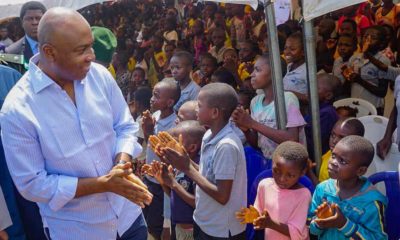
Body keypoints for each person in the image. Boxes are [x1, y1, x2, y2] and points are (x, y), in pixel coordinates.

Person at [1, 8, 152, 240]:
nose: (92, 55)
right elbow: (32, 184)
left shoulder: (99, 75)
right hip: (78, 231)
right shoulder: (18, 109)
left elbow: (125, 126)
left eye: (90, 45)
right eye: (81, 50)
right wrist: (103, 184)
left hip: (129, 217)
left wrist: (120, 167)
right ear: (49, 52)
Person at [160, 83, 247, 239]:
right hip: (204, 221)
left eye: (199, 106)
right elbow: (206, 173)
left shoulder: (226, 146)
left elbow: (222, 195)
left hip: (221, 229)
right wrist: (184, 161)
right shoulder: (208, 136)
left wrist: (187, 168)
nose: (196, 110)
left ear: (215, 112)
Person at [308, 136, 387, 239]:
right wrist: (320, 222)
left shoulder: (372, 202)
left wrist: (343, 224)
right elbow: (310, 228)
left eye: (342, 161)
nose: (333, 162)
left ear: (360, 171)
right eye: (333, 156)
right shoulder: (323, 189)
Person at [232, 54, 306, 161]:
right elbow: (258, 144)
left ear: (274, 74)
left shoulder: (288, 99)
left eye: (257, 70)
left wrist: (252, 123)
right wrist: (245, 129)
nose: (252, 75)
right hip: (269, 161)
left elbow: (292, 139)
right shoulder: (255, 102)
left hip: (290, 165)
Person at [238, 141, 311, 239]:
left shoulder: (303, 195)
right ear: (272, 164)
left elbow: (298, 234)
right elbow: (261, 215)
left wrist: (270, 224)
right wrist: (254, 216)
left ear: (302, 172)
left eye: (290, 175)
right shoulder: (264, 185)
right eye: (276, 171)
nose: (281, 179)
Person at [152, 121, 206, 240]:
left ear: (192, 147)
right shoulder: (177, 166)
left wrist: (173, 183)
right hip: (179, 227)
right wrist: (163, 182)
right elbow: (174, 195)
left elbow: (198, 202)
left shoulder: (197, 168)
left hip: (194, 229)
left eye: (174, 142)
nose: (168, 146)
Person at [142, 79, 181, 240]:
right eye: (153, 94)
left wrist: (150, 131)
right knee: (147, 218)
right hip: (149, 177)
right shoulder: (155, 115)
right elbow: (149, 144)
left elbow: (166, 156)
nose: (152, 98)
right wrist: (148, 130)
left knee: (157, 224)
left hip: (161, 182)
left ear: (169, 102)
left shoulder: (175, 125)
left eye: (156, 96)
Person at [313, 118, 365, 184]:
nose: (334, 141)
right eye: (333, 135)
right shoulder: (329, 153)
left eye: (342, 138)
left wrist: (309, 172)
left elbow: (324, 190)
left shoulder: (343, 167)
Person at [305, 74, 340, 161]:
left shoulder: (327, 114)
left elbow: (315, 141)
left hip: (318, 160)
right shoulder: (317, 109)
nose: (310, 90)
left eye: (315, 88)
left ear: (328, 96)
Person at [282, 32, 308, 103]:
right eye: (285, 48)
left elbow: (311, 98)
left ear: (303, 51)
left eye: (292, 49)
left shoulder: (307, 71)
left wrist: (287, 93)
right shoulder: (289, 66)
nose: (287, 52)